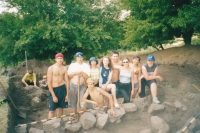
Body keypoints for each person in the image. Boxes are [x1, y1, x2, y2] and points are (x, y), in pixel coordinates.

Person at [47, 53, 69, 118]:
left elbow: (67, 81)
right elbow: (49, 83)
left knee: (60, 108)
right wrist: (53, 96)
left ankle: (59, 123)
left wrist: (67, 94)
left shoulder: (64, 68)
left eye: (61, 58)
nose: (60, 60)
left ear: (63, 59)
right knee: (52, 110)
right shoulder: (51, 68)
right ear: (55, 59)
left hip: (62, 89)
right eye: (58, 58)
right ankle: (50, 125)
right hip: (54, 89)